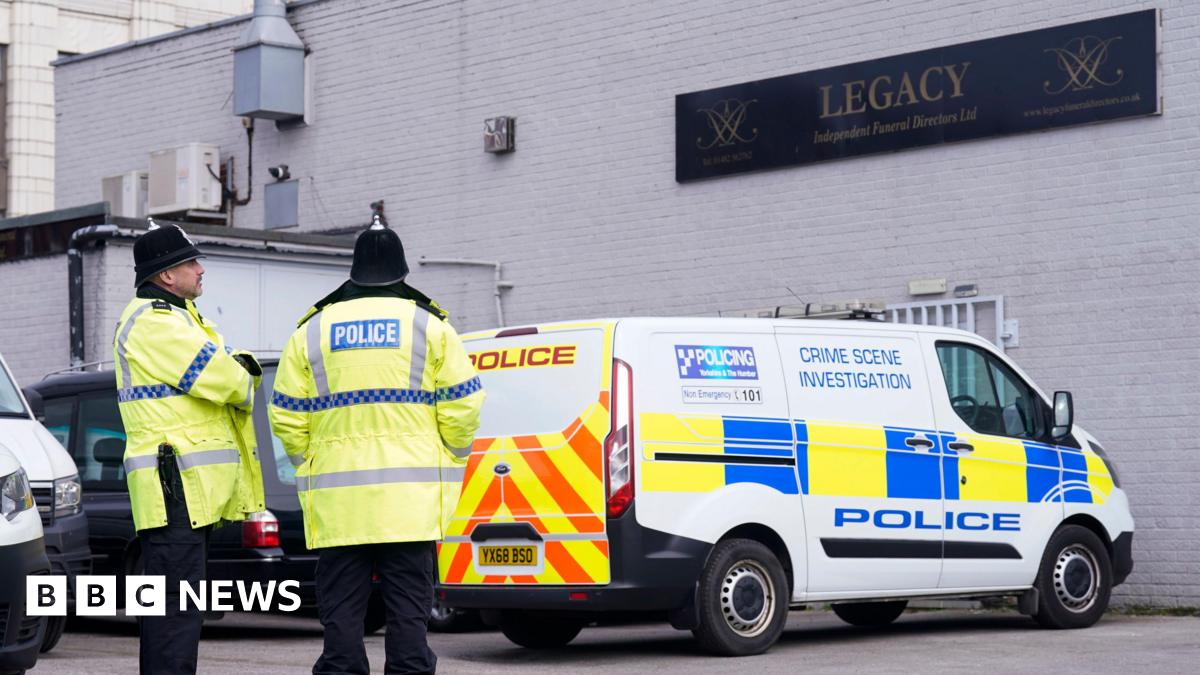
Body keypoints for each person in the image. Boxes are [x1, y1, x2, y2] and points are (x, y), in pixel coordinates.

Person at [270, 216, 484, 675]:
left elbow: (286, 414)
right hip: (410, 498)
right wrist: (446, 454)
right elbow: (463, 407)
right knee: (409, 608)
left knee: (342, 611)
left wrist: (310, 460)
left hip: (339, 502)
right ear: (402, 272)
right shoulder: (431, 327)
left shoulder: (312, 330)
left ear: (354, 270)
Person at [113, 222, 266, 674]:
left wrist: (236, 371)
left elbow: (230, 375)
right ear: (165, 276)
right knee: (176, 613)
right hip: (173, 486)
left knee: (180, 610)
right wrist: (239, 372)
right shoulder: (155, 323)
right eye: (191, 262)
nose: (201, 270)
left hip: (183, 487)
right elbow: (231, 381)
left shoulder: (181, 317)